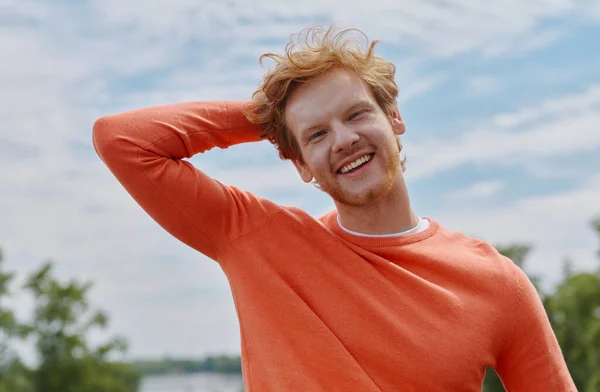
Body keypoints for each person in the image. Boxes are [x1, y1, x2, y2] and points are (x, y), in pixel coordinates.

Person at [92, 24, 576, 391]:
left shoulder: (498, 284)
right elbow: (122, 140)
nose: (344, 140)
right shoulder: (255, 238)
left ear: (395, 117)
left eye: (357, 114)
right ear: (301, 164)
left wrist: (302, 119)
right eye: (317, 135)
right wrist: (269, 116)